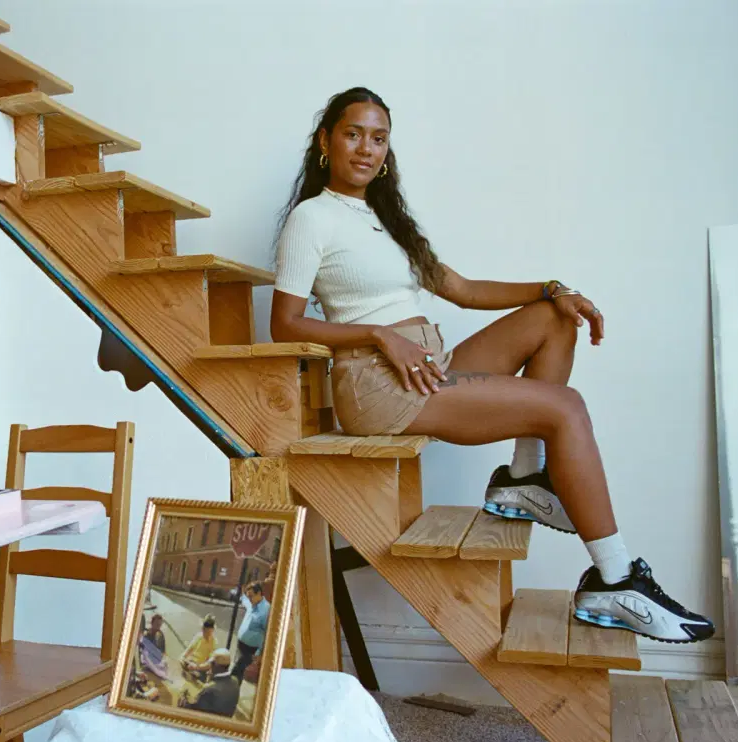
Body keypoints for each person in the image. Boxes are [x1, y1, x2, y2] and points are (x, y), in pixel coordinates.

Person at [270, 87, 714, 644]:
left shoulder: (385, 219)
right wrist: (380, 335)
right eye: (353, 134)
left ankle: (526, 476)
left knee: (553, 318)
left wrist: (554, 287)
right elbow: (285, 324)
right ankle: (615, 577)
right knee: (564, 408)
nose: (366, 148)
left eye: (378, 137)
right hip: (378, 382)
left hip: (427, 365)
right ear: (325, 142)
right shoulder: (312, 219)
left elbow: (462, 289)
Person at [178, 648, 240, 717]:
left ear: (213, 665)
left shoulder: (209, 690)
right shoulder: (235, 681)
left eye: (210, 664)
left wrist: (183, 697)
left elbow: (194, 709)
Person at [232, 583, 270, 680]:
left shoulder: (266, 610)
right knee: (238, 670)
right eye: (248, 596)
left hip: (250, 648)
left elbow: (267, 633)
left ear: (259, 594)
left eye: (251, 596)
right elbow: (244, 599)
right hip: (240, 643)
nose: (249, 599)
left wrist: (258, 653)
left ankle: (229, 690)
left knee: (236, 670)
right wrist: (242, 591)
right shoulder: (251, 602)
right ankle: (233, 691)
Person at [181, 615, 218, 681]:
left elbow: (209, 664)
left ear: (212, 631)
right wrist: (183, 657)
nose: (205, 634)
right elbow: (189, 649)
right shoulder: (198, 636)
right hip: (191, 662)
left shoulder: (213, 643)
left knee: (196, 677)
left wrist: (196, 667)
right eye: (204, 631)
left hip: (201, 668)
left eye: (207, 632)